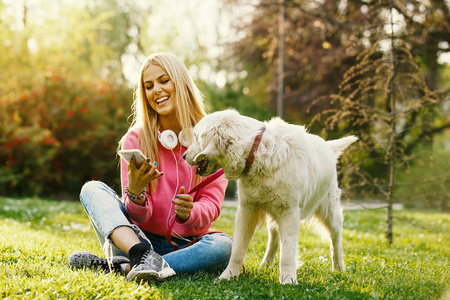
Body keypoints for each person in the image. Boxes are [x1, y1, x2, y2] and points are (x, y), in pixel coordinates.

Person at [67, 52, 232, 283]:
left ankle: (123, 268)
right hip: (137, 239)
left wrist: (190, 212)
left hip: (186, 246)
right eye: (149, 85)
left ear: (181, 83)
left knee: (224, 246)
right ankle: (139, 256)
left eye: (164, 81)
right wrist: (135, 193)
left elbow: (212, 206)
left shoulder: (211, 141)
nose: (156, 90)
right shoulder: (135, 140)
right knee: (91, 189)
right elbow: (138, 217)